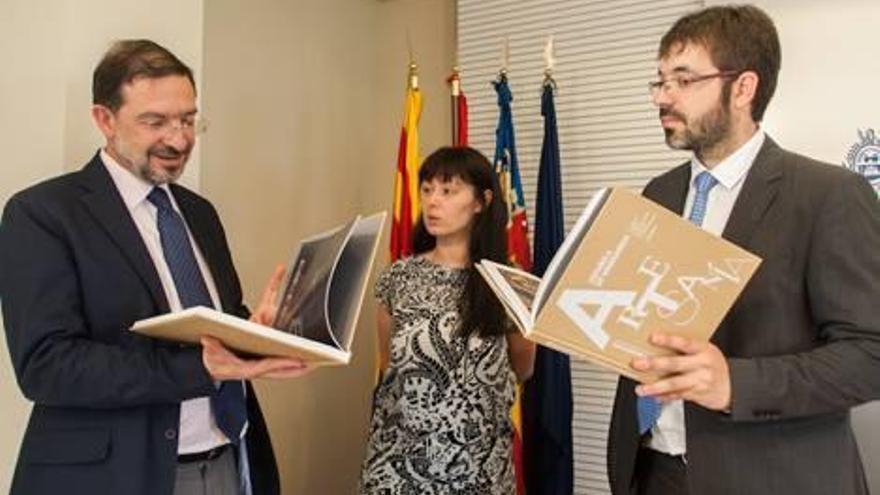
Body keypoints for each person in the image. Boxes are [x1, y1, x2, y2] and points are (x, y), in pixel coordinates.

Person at [0, 39, 310, 495]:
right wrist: (200, 370)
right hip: (115, 478)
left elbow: (209, 328)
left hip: (230, 463)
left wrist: (256, 332)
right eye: (155, 122)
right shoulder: (42, 214)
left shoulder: (200, 213)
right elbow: (47, 366)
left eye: (188, 120)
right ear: (104, 119)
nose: (179, 139)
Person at [606, 5, 880, 495]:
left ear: (743, 87)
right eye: (660, 80)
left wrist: (735, 384)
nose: (662, 97)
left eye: (683, 80)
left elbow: (871, 355)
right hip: (650, 471)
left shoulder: (828, 195)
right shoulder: (658, 194)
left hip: (771, 477)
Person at [358, 146, 536, 494]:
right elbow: (388, 364)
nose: (433, 201)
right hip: (397, 468)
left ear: (481, 201)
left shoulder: (510, 284)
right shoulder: (398, 278)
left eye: (448, 191)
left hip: (480, 471)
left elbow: (523, 367)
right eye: (427, 190)